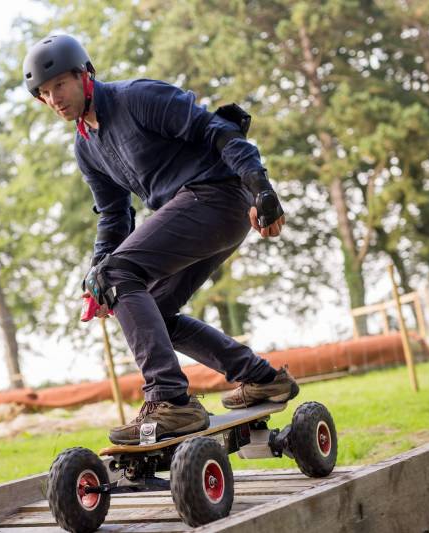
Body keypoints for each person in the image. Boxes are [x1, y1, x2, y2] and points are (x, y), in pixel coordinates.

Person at [23, 34, 299, 445]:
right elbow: (115, 216)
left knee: (120, 275)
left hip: (218, 196)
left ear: (85, 75)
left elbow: (219, 130)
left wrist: (261, 186)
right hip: (196, 213)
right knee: (150, 309)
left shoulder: (137, 98)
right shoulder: (86, 147)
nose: (54, 99)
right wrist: (95, 279)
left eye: (59, 85)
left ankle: (170, 400)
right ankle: (260, 378)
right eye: (44, 94)